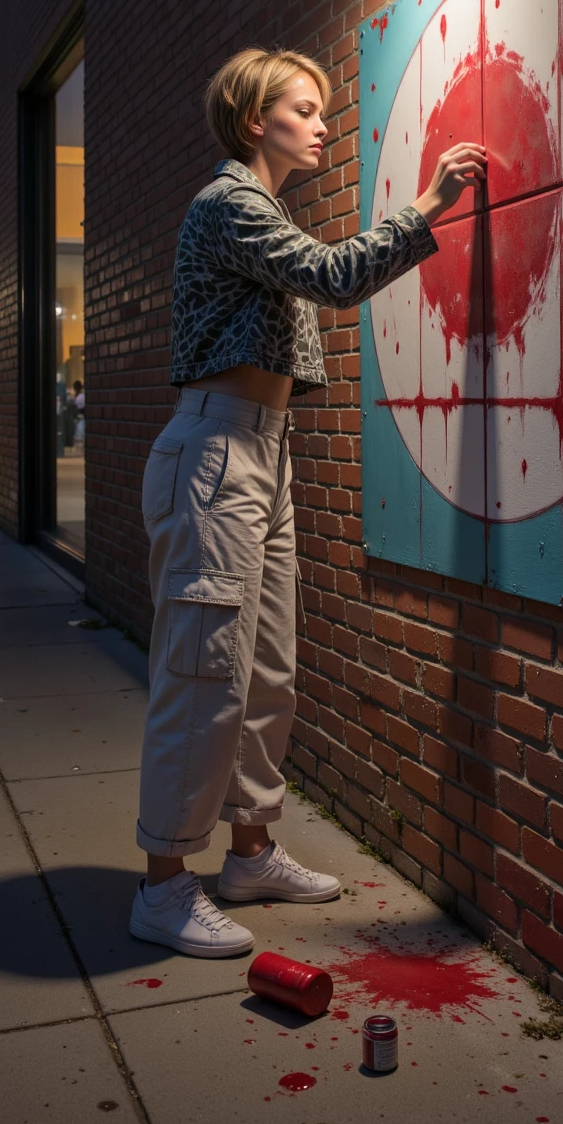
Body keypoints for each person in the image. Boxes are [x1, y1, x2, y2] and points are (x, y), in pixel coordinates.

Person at [130, 46, 486, 958]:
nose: (323, 121)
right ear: (256, 120)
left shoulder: (260, 206)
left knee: (266, 668)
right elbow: (332, 277)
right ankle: (164, 883)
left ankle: (248, 853)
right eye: (304, 105)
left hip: (256, 454)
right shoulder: (232, 204)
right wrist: (429, 206)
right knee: (205, 670)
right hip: (216, 454)